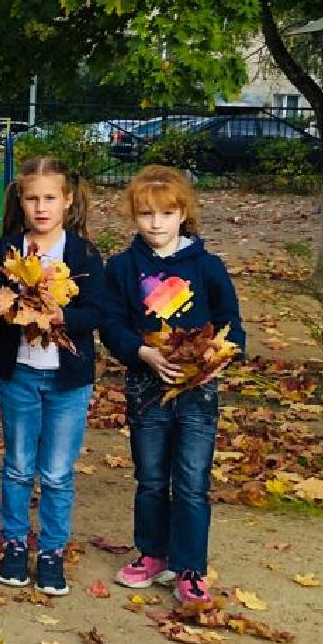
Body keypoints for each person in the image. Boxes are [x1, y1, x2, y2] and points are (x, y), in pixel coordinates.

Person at [102, 165, 245, 605]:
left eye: (166, 213)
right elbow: (111, 323)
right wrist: (142, 353)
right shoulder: (124, 267)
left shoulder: (206, 267)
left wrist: (218, 360)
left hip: (197, 394)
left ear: (183, 213)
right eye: (145, 214)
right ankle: (152, 553)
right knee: (150, 477)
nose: (156, 223)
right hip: (147, 391)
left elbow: (231, 325)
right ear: (134, 216)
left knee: (191, 480)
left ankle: (190, 567)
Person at [0, 156, 104, 597]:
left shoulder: (82, 253)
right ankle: (15, 544)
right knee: (18, 466)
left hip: (68, 381)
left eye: (49, 198)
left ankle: (52, 550)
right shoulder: (7, 250)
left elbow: (97, 310)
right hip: (20, 373)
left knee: (56, 471)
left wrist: (63, 315)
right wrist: (18, 310)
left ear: (67, 201)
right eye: (32, 198)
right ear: (21, 201)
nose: (40, 207)